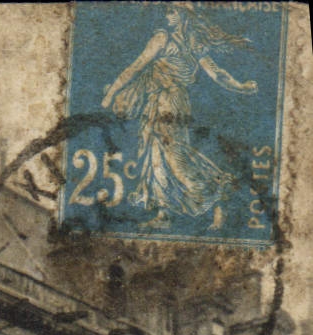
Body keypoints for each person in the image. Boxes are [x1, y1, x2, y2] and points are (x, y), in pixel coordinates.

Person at [99, 4, 259, 227]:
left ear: (185, 16)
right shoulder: (164, 38)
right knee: (156, 155)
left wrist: (240, 87)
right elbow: (135, 67)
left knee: (176, 159)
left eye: (172, 12)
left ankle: (218, 195)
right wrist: (113, 91)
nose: (168, 16)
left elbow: (217, 74)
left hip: (171, 104)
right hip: (160, 102)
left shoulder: (191, 43)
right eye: (167, 12)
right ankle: (164, 215)